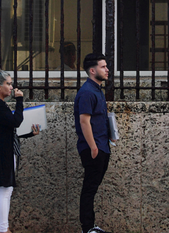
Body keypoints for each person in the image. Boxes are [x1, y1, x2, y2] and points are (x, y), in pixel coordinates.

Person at [0, 68, 40, 233]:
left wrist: (30, 133)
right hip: (3, 152)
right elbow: (15, 121)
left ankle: (4, 228)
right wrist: (20, 100)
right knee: (5, 190)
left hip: (5, 150)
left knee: (6, 190)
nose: (11, 87)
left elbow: (10, 129)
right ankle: (3, 229)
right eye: (8, 84)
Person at [74, 53, 113, 233]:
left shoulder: (97, 90)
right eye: (103, 66)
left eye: (106, 66)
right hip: (94, 148)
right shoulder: (87, 92)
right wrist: (93, 147)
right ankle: (87, 227)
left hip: (102, 145)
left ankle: (90, 226)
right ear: (92, 70)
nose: (107, 70)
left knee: (92, 188)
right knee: (89, 189)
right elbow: (84, 121)